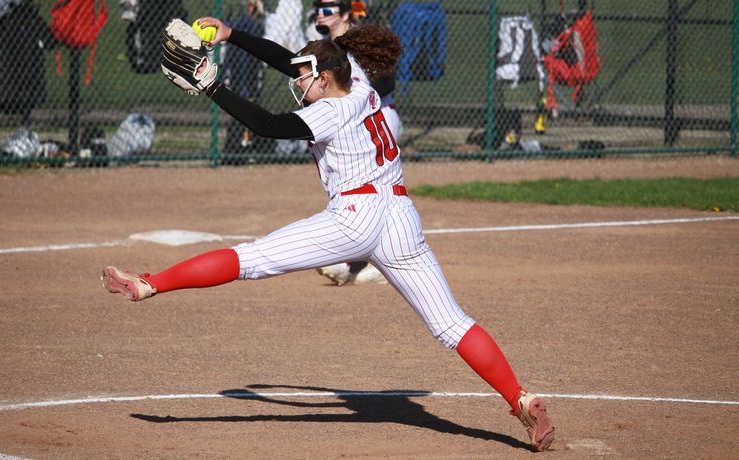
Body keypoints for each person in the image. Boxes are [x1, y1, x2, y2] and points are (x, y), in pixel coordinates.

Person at [102, 20, 555, 452]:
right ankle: (520, 398)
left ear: (323, 79)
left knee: (253, 258)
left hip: (354, 216)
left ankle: (151, 283)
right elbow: (293, 61)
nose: (297, 83)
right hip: (400, 214)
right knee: (451, 324)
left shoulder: (330, 110)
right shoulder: (356, 82)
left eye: (304, 78)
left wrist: (212, 85)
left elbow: (268, 127)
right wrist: (232, 35)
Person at [311, 0, 400, 286]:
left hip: (377, 119)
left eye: (328, 8)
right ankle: (367, 257)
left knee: (364, 189)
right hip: (346, 124)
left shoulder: (360, 43)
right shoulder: (322, 48)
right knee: (347, 184)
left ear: (346, 13)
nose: (320, 13)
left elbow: (387, 83)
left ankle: (357, 258)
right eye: (318, 8)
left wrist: (355, 90)